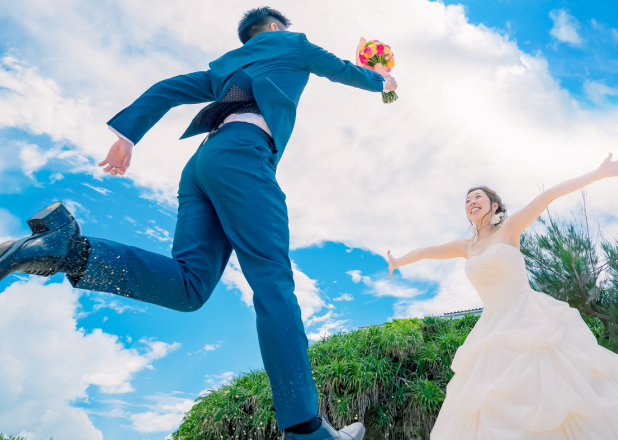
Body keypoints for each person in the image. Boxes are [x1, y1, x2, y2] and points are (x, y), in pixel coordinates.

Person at [0, 7, 397, 440]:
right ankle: (306, 430)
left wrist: (127, 137)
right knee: (273, 285)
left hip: (202, 166)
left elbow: (168, 88)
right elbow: (343, 71)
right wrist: (382, 80)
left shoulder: (224, 68)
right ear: (274, 28)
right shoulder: (292, 43)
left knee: (189, 288)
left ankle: (70, 252)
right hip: (244, 157)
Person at [387, 154, 618, 439]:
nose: (471, 202)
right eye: (467, 200)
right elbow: (425, 252)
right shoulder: (466, 246)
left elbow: (549, 195)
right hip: (493, 326)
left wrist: (599, 172)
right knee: (493, 397)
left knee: (550, 385)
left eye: (478, 197)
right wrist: (398, 261)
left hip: (528, 315)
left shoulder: (509, 229)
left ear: (494, 205)